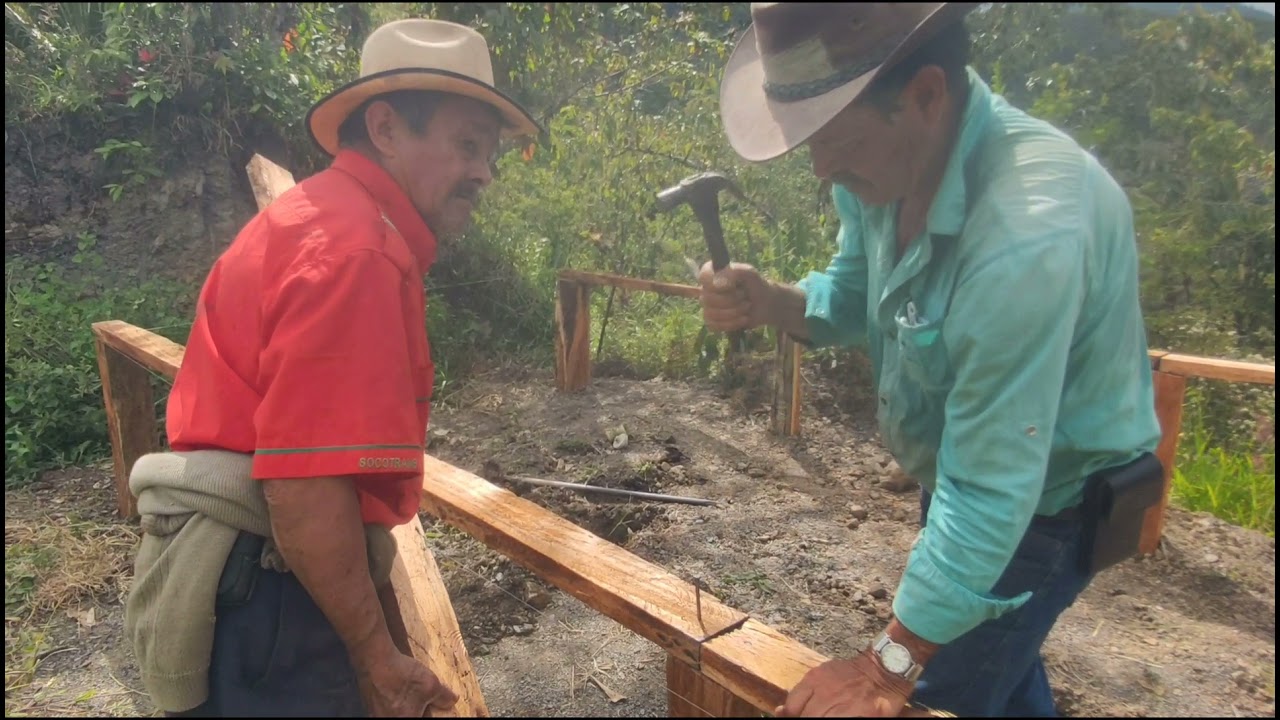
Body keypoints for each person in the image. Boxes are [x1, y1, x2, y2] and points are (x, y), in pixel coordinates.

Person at [701, 3, 1163, 717]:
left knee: (941, 692)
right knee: (999, 663)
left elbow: (991, 492)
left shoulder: (1025, 235)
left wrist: (888, 668)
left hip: (1050, 503)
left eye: (835, 141)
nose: (822, 170)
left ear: (924, 95)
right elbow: (856, 294)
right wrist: (773, 302)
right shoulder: (888, 168)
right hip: (967, 471)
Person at [123, 18, 543, 717]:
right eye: (467, 145)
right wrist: (376, 657)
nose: (484, 172)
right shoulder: (357, 254)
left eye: (490, 153)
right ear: (384, 128)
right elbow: (308, 489)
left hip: (244, 578)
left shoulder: (314, 215)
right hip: (270, 589)